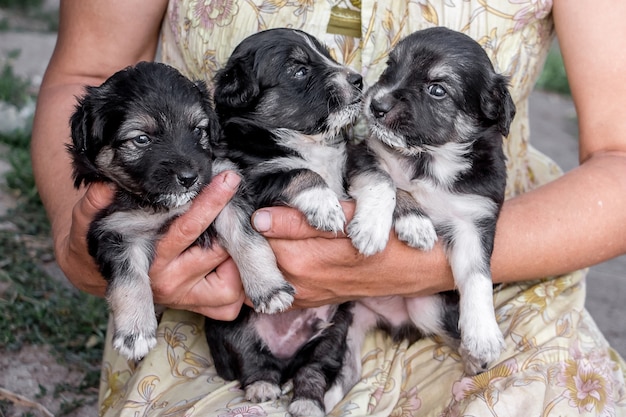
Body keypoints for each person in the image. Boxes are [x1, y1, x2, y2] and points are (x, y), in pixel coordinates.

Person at [31, 1, 626, 415]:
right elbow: (87, 74)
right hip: (209, 308)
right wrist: (77, 239)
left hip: (496, 282)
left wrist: (432, 263)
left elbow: (618, 155)